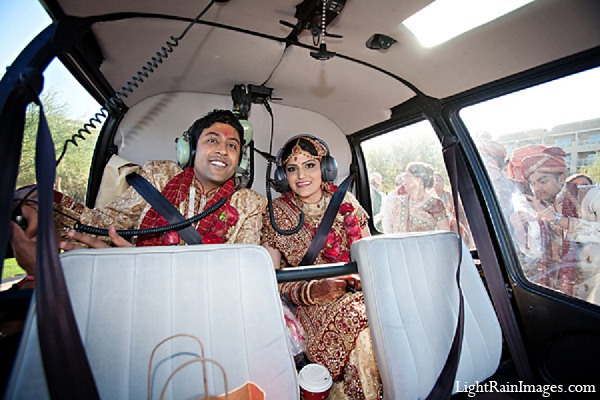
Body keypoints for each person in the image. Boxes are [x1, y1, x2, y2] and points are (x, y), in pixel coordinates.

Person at [9, 109, 267, 287]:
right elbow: (102, 222)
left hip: (208, 297)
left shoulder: (251, 203)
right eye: (212, 140)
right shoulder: (159, 175)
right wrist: (40, 200)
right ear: (189, 149)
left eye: (232, 145)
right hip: (135, 284)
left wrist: (141, 264)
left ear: (240, 160)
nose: (222, 149)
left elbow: (240, 268)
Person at [261, 135, 382, 400]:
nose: (301, 175)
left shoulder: (346, 201)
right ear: (283, 176)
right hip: (309, 305)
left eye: (310, 165)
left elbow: (370, 254)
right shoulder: (276, 213)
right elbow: (270, 280)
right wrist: (314, 291)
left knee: (382, 320)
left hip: (359, 294)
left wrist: (361, 279)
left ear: (326, 169)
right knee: (364, 324)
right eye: (292, 168)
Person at [509, 146, 600, 302]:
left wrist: (557, 219)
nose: (537, 188)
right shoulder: (540, 207)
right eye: (532, 183)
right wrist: (519, 231)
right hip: (560, 292)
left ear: (562, 178)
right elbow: (536, 254)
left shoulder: (591, 195)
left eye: (543, 181)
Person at [382, 162, 450, 234]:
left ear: (418, 180)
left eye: (407, 176)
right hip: (398, 244)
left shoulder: (435, 204)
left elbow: (445, 233)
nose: (404, 182)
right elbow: (389, 230)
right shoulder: (397, 201)